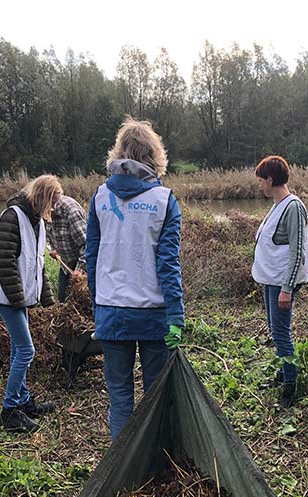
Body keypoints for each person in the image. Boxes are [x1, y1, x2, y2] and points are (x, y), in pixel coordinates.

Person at [86, 118, 184, 440]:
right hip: (153, 315)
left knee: (119, 396)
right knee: (155, 396)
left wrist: (97, 305)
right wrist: (176, 316)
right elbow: (168, 264)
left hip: (111, 313)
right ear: (155, 155)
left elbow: (92, 258)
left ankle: (121, 470)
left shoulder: (99, 197)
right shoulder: (164, 201)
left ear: (118, 153)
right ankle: (151, 460)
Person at [0, 175, 59, 433]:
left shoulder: (36, 220)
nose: (53, 208)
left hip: (19, 297)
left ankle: (23, 400)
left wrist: (47, 299)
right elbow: (4, 262)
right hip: (6, 298)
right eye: (52, 201)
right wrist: (18, 300)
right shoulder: (12, 217)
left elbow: (36, 264)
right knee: (26, 351)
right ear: (41, 197)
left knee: (19, 350)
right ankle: (8, 412)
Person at [252, 155, 308, 408]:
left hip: (282, 283)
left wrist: (287, 289)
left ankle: (290, 388)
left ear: (271, 179)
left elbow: (298, 250)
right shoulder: (278, 204)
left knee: (282, 333)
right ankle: (282, 373)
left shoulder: (293, 207)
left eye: (262, 181)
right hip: (272, 280)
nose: (260, 185)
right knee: (275, 331)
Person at [46, 191, 88, 302]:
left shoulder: (71, 212)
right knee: (62, 298)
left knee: (83, 300)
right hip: (66, 264)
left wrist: (80, 269)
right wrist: (54, 248)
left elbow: (88, 245)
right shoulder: (45, 210)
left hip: (83, 262)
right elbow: (49, 234)